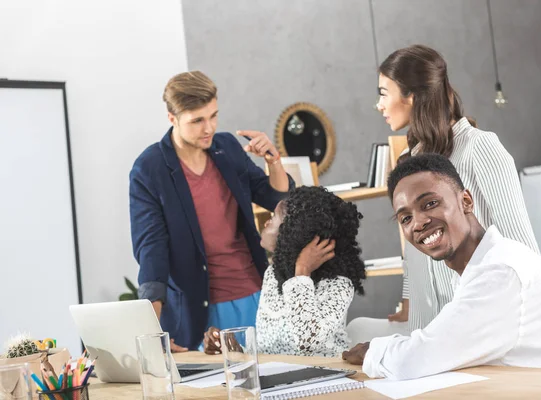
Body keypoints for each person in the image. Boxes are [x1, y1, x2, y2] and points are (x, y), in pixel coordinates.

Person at [342, 154, 541, 379]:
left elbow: (423, 355)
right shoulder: (478, 268)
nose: (418, 223)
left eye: (430, 203)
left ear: (466, 201)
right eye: (405, 218)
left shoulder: (501, 271)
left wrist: (371, 350)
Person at [375, 44, 539, 332]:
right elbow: (413, 251)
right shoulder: (407, 163)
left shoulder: (479, 147)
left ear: (411, 95)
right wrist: (408, 302)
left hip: (485, 324)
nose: (379, 105)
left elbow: (522, 247)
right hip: (430, 328)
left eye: (383, 94)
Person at [129, 71, 294, 351]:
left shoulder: (226, 147)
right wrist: (151, 333)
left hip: (258, 295)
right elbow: (151, 251)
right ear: (172, 118)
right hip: (201, 312)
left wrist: (274, 161)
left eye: (213, 116)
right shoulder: (149, 169)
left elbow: (274, 198)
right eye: (197, 121)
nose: (209, 128)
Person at [203, 186, 366, 357]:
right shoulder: (272, 275)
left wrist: (302, 271)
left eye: (274, 218)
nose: (266, 223)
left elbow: (308, 342)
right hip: (280, 379)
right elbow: (267, 350)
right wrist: (235, 350)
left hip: (324, 378)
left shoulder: (339, 283)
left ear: (292, 233)